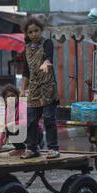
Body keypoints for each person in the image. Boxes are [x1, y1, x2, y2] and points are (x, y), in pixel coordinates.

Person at [19, 18, 60, 160]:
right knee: (31, 120)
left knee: (49, 119)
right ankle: (32, 148)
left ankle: (53, 148)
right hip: (34, 90)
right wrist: (22, 89)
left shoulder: (47, 43)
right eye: (30, 32)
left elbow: (49, 58)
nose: (34, 34)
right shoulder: (26, 49)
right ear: (27, 34)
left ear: (41, 30)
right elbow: (26, 71)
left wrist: (46, 63)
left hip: (48, 88)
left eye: (36, 31)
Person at [0, 84, 27, 157]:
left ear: (17, 97)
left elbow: (26, 121)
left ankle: (30, 148)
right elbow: (5, 130)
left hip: (33, 134)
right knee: (8, 128)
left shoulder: (22, 105)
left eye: (13, 96)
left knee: (10, 126)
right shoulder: (7, 110)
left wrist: (12, 123)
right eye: (8, 97)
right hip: (20, 133)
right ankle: (20, 149)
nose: (11, 98)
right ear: (4, 99)